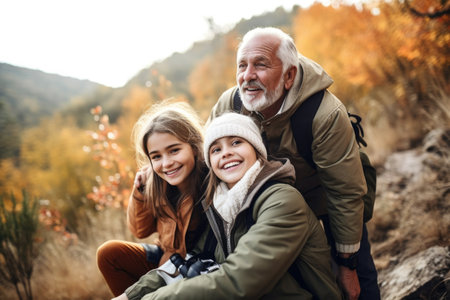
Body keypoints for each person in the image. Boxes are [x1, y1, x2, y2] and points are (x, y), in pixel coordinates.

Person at [208, 27, 380, 300]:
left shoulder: (324, 114)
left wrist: (348, 265)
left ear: (289, 75)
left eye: (260, 65)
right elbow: (207, 154)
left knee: (356, 282)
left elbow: (344, 193)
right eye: (242, 65)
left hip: (326, 192)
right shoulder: (230, 104)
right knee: (306, 278)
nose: (247, 76)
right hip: (277, 202)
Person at [113, 112, 342, 300]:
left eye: (236, 142)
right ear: (210, 161)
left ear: (256, 149)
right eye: (216, 149)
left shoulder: (282, 201)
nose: (227, 153)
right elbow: (192, 258)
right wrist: (130, 296)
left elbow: (239, 281)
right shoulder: (221, 204)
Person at [96, 100, 208, 296]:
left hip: (194, 266)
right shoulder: (156, 185)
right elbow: (140, 229)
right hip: (166, 257)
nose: (166, 163)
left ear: (194, 147)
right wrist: (139, 192)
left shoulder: (208, 183)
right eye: (156, 157)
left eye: (174, 150)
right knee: (109, 253)